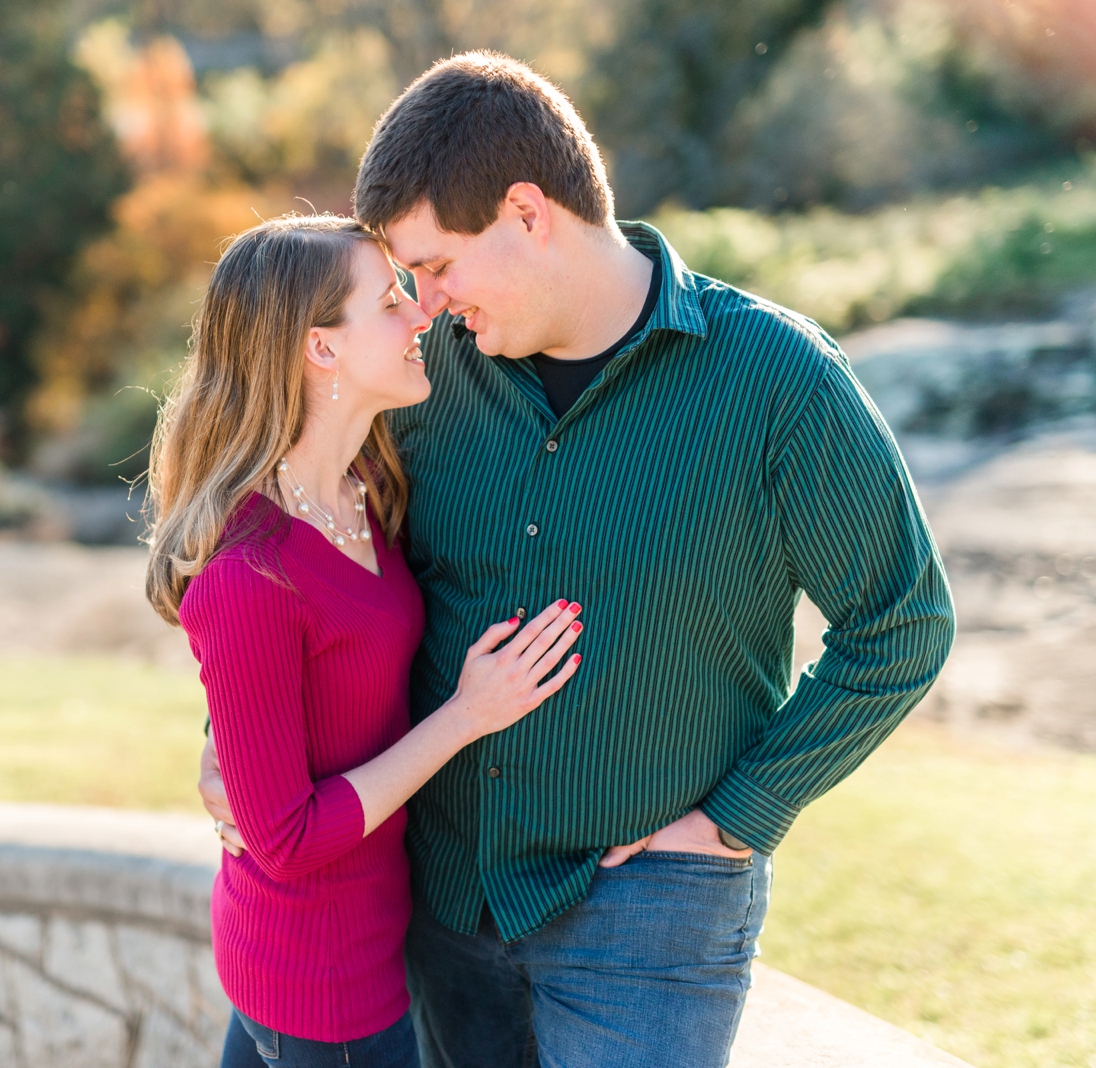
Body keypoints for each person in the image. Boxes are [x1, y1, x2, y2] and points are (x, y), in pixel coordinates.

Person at [200, 52, 956, 1068]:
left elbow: (899, 625)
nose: (422, 304)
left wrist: (737, 818)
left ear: (526, 212)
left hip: (649, 914)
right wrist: (233, 739)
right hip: (437, 895)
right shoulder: (430, 380)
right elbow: (307, 552)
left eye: (433, 267)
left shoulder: (777, 381)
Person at [145, 214, 586, 1068]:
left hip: (371, 945)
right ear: (322, 348)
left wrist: (225, 742)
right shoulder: (249, 574)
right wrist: (468, 716)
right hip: (322, 987)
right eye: (389, 301)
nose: (420, 312)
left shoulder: (362, 488)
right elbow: (288, 839)